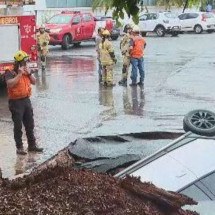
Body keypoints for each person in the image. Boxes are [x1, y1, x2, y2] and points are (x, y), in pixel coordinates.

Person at [5, 50, 43, 155]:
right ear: (18, 63)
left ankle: (32, 146)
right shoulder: (10, 72)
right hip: (15, 102)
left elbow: (34, 82)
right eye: (24, 62)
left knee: (30, 124)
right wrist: (19, 74)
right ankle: (19, 147)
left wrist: (29, 73)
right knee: (18, 126)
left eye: (26, 62)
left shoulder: (27, 71)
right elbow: (9, 84)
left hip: (26, 100)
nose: (26, 64)